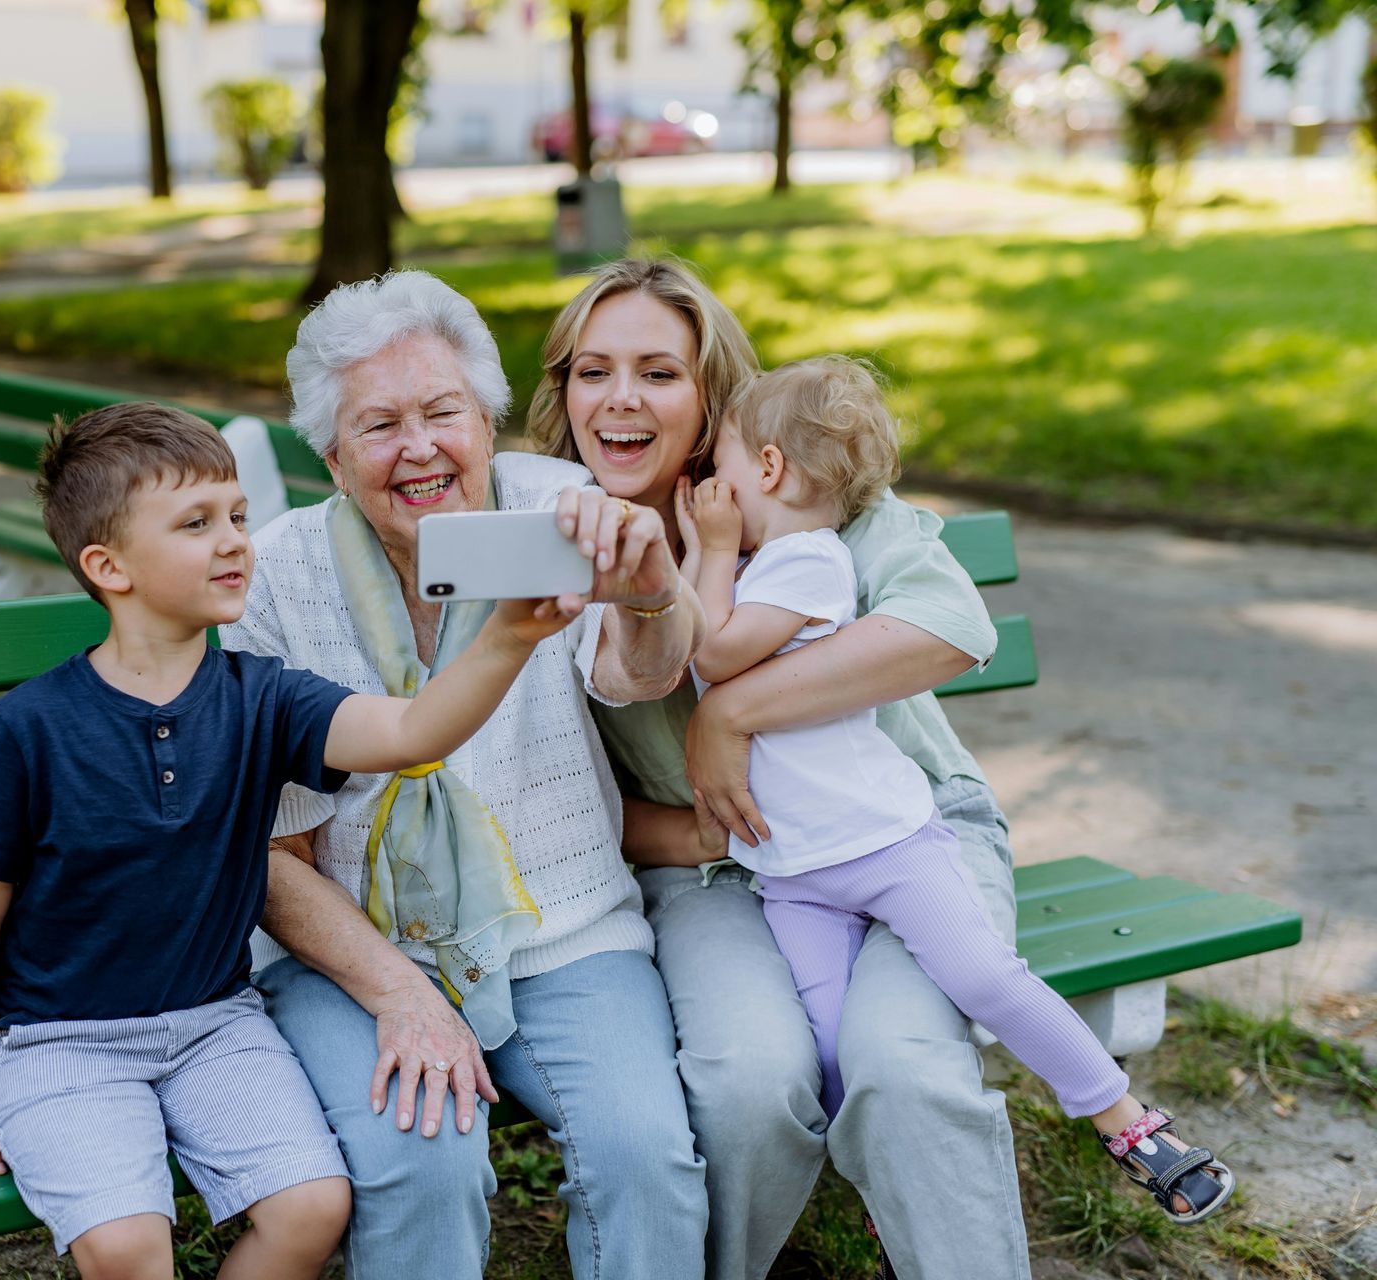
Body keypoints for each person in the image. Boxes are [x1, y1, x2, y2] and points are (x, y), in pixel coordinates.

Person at [0, 402, 580, 1280]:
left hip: (214, 1024)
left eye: (239, 516)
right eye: (196, 523)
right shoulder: (32, 727)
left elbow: (411, 732)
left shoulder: (265, 699)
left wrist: (512, 634)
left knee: (311, 1207)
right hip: (58, 1040)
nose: (234, 542)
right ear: (109, 567)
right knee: (128, 1247)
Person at [526, 256, 1030, 1279]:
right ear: (563, 393)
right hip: (716, 871)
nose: (621, 399)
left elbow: (950, 623)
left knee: (907, 1069)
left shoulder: (793, 489)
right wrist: (687, 831)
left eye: (659, 373)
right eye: (593, 371)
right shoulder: (546, 532)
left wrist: (735, 711)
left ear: (711, 396)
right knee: (746, 1081)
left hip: (903, 835)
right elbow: (529, 792)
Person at [223, 270, 711, 1280]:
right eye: (379, 425)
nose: (419, 448)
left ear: (487, 421)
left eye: (443, 412)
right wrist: (401, 990)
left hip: (563, 926)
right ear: (332, 455)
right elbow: (272, 856)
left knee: (644, 1155)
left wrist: (655, 593)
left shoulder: (561, 511)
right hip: (351, 953)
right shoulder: (273, 579)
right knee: (423, 1164)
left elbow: (636, 673)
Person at [675, 355, 1233, 1223]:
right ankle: (876, 1199)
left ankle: (1122, 1116)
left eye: (722, 469)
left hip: (888, 848)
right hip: (796, 873)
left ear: (771, 470)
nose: (713, 488)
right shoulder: (761, 569)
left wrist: (707, 548)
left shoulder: (806, 566)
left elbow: (708, 655)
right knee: (830, 1045)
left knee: (985, 977)